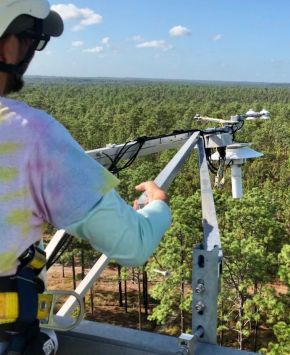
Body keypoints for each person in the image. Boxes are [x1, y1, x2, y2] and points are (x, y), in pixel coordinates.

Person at [0, 0, 172, 354]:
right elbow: (133, 244)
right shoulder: (33, 136)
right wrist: (158, 205)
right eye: (32, 38)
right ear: (8, 43)